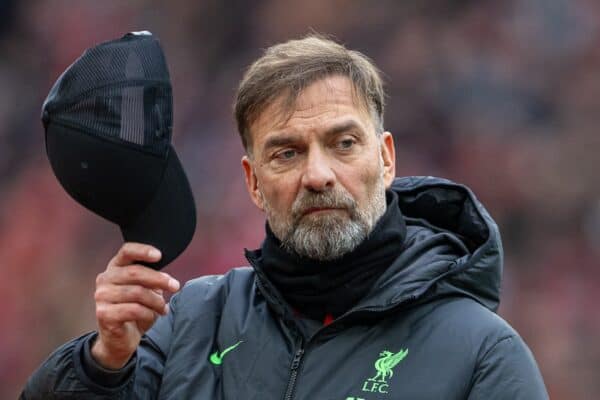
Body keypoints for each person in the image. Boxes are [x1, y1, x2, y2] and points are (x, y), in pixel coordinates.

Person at [21, 35, 548, 399]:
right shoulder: (191, 323)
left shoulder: (481, 352)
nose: (317, 174)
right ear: (253, 182)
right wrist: (103, 364)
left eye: (343, 144)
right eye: (287, 153)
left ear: (385, 159)